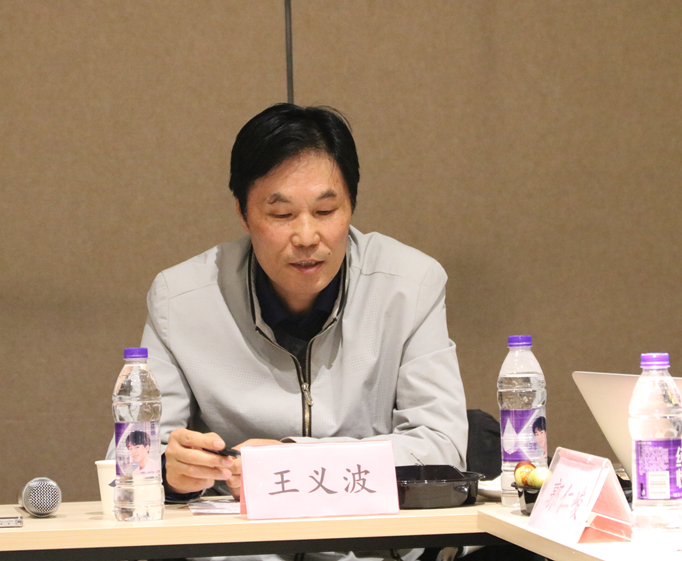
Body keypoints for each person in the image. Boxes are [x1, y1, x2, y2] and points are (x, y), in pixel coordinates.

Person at [107, 102, 471, 560]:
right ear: (243, 213)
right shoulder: (181, 300)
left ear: (351, 207)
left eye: (326, 210)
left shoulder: (410, 286)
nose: (306, 236)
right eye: (281, 215)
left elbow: (440, 448)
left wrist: (294, 461)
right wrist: (170, 472)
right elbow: (130, 460)